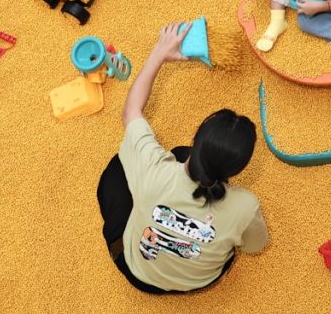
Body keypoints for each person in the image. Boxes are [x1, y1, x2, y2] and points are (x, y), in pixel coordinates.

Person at [97, 23, 269, 294]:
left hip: (137, 271)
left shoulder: (154, 171)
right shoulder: (245, 205)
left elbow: (131, 112)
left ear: (196, 138)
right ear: (240, 168)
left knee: (116, 171)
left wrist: (158, 54)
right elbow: (254, 246)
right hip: (197, 282)